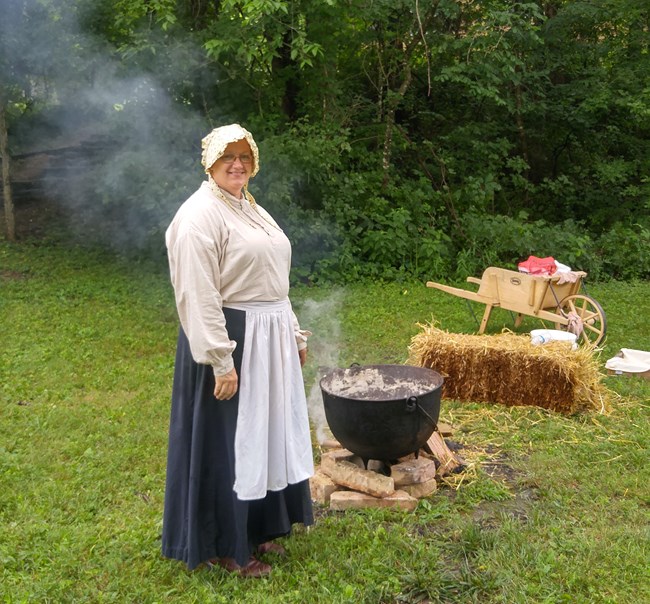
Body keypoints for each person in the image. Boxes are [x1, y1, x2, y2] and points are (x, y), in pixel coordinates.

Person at [162, 123, 314, 578]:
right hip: (232, 339)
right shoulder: (199, 216)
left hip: (266, 338)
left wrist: (292, 333)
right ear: (209, 163)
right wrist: (220, 360)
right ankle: (226, 545)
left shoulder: (249, 207)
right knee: (231, 444)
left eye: (244, 156)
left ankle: (258, 529)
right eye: (228, 157)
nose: (237, 164)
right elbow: (198, 293)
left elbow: (272, 280)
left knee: (264, 435)